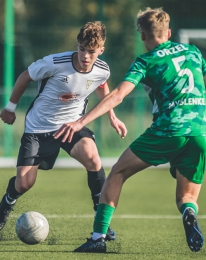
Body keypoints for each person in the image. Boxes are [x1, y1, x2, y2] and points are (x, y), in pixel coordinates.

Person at [54, 7, 206, 253]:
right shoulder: (193, 52)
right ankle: (189, 213)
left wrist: (80, 121)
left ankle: (98, 238)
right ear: (168, 32)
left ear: (142, 36)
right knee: (187, 198)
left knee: (116, 174)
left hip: (168, 130)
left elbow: (117, 95)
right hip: (200, 132)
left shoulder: (145, 61)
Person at [0, 21, 127, 242]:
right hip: (38, 128)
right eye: (82, 49)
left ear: (101, 50)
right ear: (77, 45)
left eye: (91, 52)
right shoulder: (55, 63)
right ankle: (9, 199)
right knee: (24, 183)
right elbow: (26, 76)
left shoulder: (103, 69)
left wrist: (112, 116)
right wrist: (10, 108)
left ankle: (102, 222)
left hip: (72, 126)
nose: (85, 56)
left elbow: (102, 86)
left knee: (93, 158)